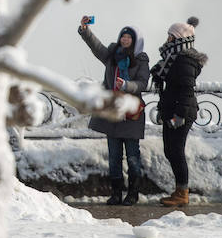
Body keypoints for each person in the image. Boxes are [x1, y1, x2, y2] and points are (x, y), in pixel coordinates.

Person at [78, 16, 150, 206]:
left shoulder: (141, 60)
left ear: (135, 41)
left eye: (129, 38)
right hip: (112, 114)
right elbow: (97, 47)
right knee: (114, 157)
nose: (125, 40)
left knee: (133, 157)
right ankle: (116, 193)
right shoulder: (112, 56)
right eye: (123, 37)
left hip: (130, 114)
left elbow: (143, 83)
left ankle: (133, 194)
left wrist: (127, 85)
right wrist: (86, 31)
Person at [149, 16, 208, 207]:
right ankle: (179, 190)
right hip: (172, 109)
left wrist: (179, 116)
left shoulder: (183, 61)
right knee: (170, 150)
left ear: (179, 39)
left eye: (170, 37)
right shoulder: (172, 58)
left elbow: (186, 90)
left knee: (176, 151)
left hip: (180, 113)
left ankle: (182, 193)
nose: (167, 39)